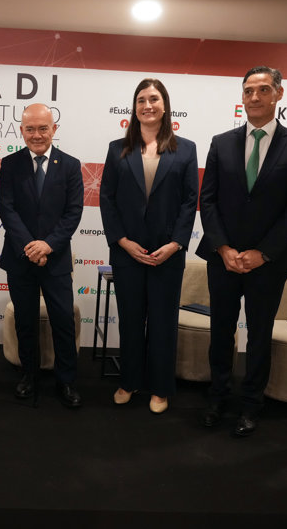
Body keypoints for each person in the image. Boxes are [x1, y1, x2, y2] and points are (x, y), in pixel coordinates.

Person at [197, 66, 287, 435]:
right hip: (223, 258)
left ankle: (251, 404)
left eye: (263, 90)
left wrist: (263, 253)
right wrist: (223, 247)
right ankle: (217, 397)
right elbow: (208, 200)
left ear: (279, 94)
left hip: (268, 262)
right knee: (221, 331)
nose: (254, 97)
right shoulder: (221, 142)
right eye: (248, 90)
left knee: (259, 335)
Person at [99, 78, 198, 414]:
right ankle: (129, 381)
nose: (147, 105)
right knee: (130, 320)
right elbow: (107, 199)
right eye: (141, 100)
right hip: (127, 252)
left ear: (165, 106)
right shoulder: (117, 148)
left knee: (162, 323)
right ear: (134, 107)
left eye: (154, 99)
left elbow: (190, 201)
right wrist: (122, 241)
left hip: (166, 254)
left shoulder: (186, 149)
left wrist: (176, 244)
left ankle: (160, 388)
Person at [0, 103, 84, 408]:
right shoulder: (9, 164)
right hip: (20, 258)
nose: (37, 135)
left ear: (54, 129)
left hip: (55, 259)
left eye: (43, 128)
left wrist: (47, 246)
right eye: (30, 129)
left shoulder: (70, 165)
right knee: (25, 322)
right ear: (22, 131)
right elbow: (7, 209)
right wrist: (30, 247)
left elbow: (73, 212)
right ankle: (28, 376)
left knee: (63, 321)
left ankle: (66, 380)